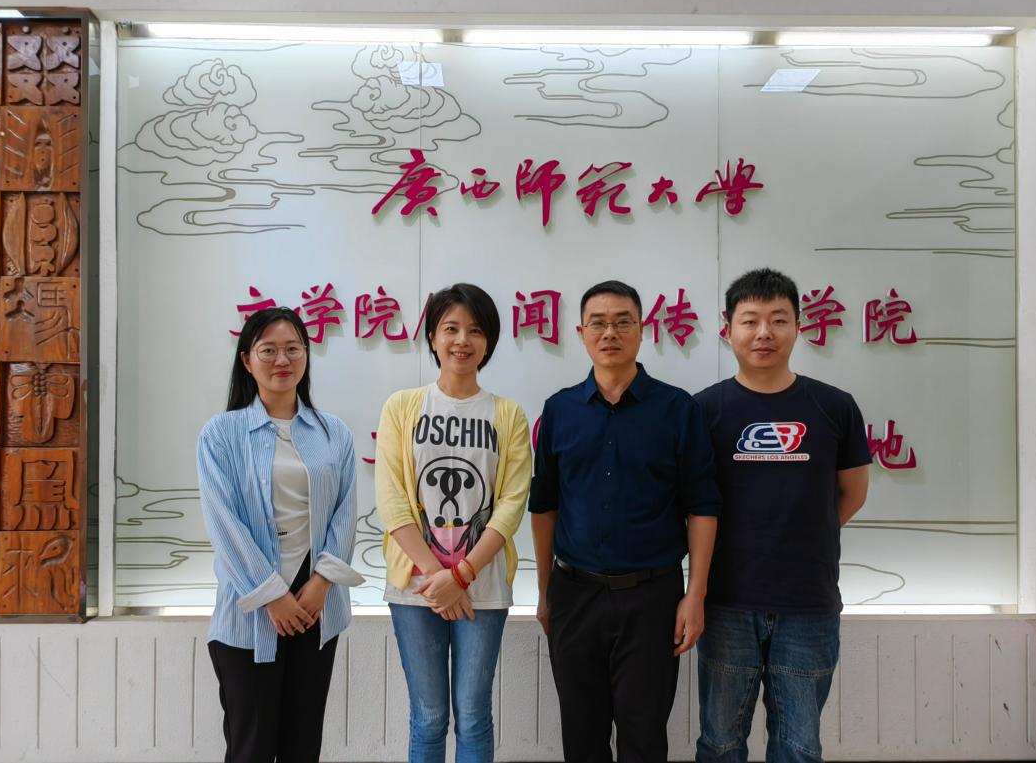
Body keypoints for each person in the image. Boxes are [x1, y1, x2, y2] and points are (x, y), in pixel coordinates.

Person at [529, 279, 720, 763]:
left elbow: (702, 507)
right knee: (582, 738)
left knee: (644, 738)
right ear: (581, 333)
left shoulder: (677, 409)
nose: (609, 332)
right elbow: (544, 505)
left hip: (652, 599)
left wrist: (694, 595)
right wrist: (545, 591)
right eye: (598, 323)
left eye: (622, 322)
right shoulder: (559, 410)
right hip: (575, 595)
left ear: (642, 330)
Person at [693, 268, 872, 763]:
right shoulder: (704, 411)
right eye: (750, 320)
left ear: (798, 326)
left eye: (778, 319)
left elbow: (853, 493)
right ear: (727, 328)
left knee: (799, 746)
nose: (764, 333)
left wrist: (802, 534)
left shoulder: (834, 407)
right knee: (720, 742)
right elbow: (692, 505)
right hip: (726, 601)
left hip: (808, 603)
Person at [374, 283, 533, 763]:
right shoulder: (402, 406)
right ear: (433, 336)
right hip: (416, 588)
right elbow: (393, 501)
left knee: (473, 714)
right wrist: (436, 577)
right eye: (451, 328)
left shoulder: (508, 414)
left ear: (489, 342)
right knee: (427, 716)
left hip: (482, 586)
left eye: (475, 330)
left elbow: (511, 504)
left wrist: (460, 575)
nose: (462, 340)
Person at [197, 306, 363, 763]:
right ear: (247, 360)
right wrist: (271, 595)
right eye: (268, 350)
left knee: (302, 746)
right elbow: (224, 524)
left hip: (316, 608)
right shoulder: (222, 434)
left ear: (307, 355)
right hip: (249, 612)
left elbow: (345, 515)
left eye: (293, 348)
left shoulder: (334, 433)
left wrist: (322, 582)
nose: (282, 359)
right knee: (250, 747)